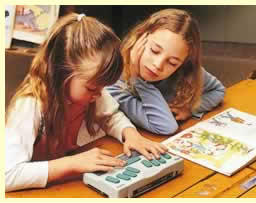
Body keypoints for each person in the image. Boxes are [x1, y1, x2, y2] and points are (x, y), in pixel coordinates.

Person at [5, 13, 167, 192]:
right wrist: (73, 163)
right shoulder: (30, 105)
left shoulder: (93, 90)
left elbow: (111, 116)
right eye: (91, 88)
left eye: (103, 86)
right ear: (61, 73)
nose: (100, 94)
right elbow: (7, 175)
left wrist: (130, 134)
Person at [106, 8, 225, 135]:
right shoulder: (114, 80)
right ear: (140, 37)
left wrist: (191, 109)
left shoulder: (185, 72)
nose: (158, 65)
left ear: (182, 63)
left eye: (172, 63)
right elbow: (166, 126)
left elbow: (218, 90)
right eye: (154, 50)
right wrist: (138, 80)